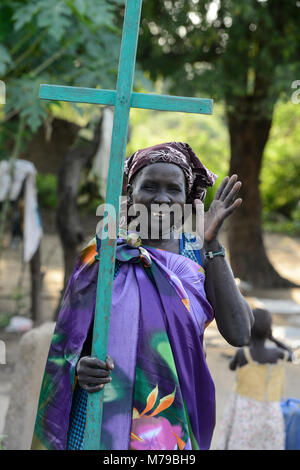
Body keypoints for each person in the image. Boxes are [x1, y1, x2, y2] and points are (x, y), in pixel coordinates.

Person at [31, 142, 253, 450]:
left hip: (167, 423)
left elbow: (240, 333)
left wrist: (212, 243)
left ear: (186, 198)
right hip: (100, 417)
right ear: (130, 194)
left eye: (173, 189)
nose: (161, 198)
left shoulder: (199, 254)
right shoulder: (103, 255)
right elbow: (69, 344)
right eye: (149, 186)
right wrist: (81, 366)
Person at [217, 307, 293, 450]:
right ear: (269, 331)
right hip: (270, 410)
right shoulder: (276, 353)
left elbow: (231, 367)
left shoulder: (243, 354)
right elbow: (291, 355)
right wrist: (273, 339)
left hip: (244, 410)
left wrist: (248, 340)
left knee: (241, 443)